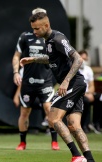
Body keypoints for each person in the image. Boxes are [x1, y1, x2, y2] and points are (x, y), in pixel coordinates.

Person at [20, 9, 99, 162]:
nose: (34, 32)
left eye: (36, 29)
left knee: (53, 118)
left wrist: (65, 81)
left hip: (73, 83)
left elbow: (78, 59)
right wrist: (33, 59)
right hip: (74, 85)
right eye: (32, 28)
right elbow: (51, 59)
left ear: (46, 25)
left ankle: (76, 155)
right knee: (74, 125)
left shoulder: (57, 38)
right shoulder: (48, 42)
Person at [12, 8, 59, 151]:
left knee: (48, 108)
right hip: (28, 82)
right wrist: (15, 72)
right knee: (24, 112)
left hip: (45, 81)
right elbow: (16, 56)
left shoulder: (52, 37)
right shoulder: (25, 37)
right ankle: (22, 142)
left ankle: (54, 141)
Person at [78, 50, 102, 134]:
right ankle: (84, 125)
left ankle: (95, 123)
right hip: (78, 94)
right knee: (86, 101)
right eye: (82, 59)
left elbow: (91, 85)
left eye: (85, 59)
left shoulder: (88, 70)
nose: (84, 61)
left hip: (88, 93)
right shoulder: (74, 69)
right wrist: (85, 94)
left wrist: (90, 93)